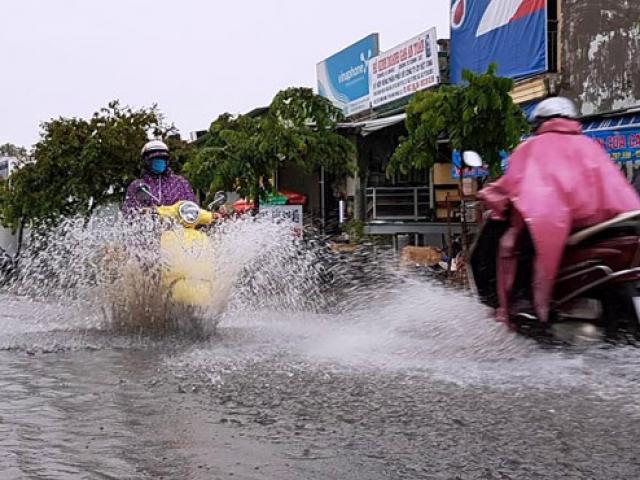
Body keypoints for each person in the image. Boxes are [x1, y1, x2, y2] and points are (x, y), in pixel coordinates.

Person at [478, 97, 640, 324]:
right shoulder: (590, 145)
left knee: (523, 240)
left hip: (556, 221)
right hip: (601, 222)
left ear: (539, 123)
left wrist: (489, 194)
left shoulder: (531, 146)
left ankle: (523, 302)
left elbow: (512, 184)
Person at [123, 140, 197, 213]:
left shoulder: (180, 183)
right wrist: (148, 212)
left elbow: (193, 208)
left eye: (162, 159)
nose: (159, 161)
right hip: (152, 224)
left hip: (179, 224)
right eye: (155, 159)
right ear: (146, 161)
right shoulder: (138, 186)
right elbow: (130, 212)